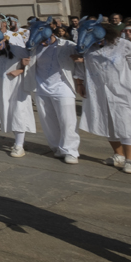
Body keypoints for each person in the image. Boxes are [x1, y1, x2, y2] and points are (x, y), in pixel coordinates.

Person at [74, 19, 131, 174]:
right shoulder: (89, 48)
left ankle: (130, 160)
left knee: (126, 124)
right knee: (108, 123)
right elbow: (81, 66)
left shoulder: (123, 45)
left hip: (123, 90)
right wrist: (80, 84)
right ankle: (118, 155)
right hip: (98, 91)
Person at [29, 21, 80, 164]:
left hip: (63, 88)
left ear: (51, 33)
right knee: (48, 121)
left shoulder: (66, 45)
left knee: (67, 121)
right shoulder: (35, 47)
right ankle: (57, 147)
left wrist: (80, 80)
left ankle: (71, 151)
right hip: (41, 88)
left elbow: (83, 57)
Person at [0, 26, 36, 157]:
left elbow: (32, 63)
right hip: (2, 88)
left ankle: (19, 146)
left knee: (18, 113)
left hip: (17, 87)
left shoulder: (17, 49)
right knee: (8, 115)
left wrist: (19, 70)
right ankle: (19, 140)